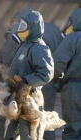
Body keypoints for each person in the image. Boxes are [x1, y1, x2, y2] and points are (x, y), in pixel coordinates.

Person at [0, 7, 62, 140]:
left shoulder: (39, 47)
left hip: (30, 99)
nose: (20, 29)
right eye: (21, 25)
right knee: (8, 132)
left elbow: (46, 73)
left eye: (24, 26)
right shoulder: (24, 45)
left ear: (33, 28)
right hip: (16, 95)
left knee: (28, 134)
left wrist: (26, 81)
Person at [53, 8, 81, 140]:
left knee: (72, 131)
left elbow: (57, 64)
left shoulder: (72, 39)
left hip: (74, 89)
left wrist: (53, 79)